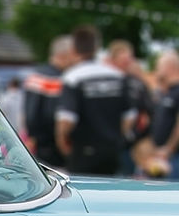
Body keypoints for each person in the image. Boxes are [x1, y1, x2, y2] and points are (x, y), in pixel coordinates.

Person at [56, 25, 133, 176]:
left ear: (73, 50)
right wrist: (117, 138)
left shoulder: (72, 77)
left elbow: (66, 121)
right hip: (112, 151)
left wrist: (63, 144)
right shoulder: (117, 76)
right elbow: (129, 116)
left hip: (83, 151)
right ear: (97, 48)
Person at [22, 35, 77, 167]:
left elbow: (30, 112)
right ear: (65, 55)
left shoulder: (36, 75)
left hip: (41, 144)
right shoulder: (58, 79)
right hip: (52, 145)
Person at [149, 49, 179, 181]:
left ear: (170, 67)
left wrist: (169, 149)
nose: (156, 70)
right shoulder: (163, 92)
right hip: (159, 155)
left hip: (175, 157)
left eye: (158, 66)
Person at [106, 40, 151, 176]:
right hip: (105, 144)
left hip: (127, 147)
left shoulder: (136, 84)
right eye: (123, 60)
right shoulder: (103, 81)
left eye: (129, 59)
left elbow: (146, 114)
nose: (127, 63)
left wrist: (133, 135)